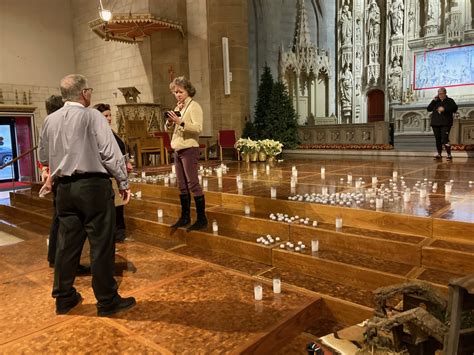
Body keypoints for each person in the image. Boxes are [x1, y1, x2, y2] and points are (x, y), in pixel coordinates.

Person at [39, 74, 135, 317]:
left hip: (64, 190)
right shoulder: (92, 116)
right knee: (101, 244)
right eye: (89, 90)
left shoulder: (50, 120)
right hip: (92, 187)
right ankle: (107, 300)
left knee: (66, 245)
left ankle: (63, 298)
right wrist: (123, 182)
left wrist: (51, 171)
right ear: (84, 93)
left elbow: (43, 156)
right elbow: (109, 153)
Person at [165, 76, 207, 231]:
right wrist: (170, 122)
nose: (177, 94)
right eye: (175, 92)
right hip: (178, 149)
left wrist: (180, 121)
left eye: (180, 91)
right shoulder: (179, 107)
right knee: (182, 186)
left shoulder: (194, 106)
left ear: (188, 90)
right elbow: (170, 129)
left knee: (193, 184)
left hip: (189, 149)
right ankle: (185, 217)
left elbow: (198, 128)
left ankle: (202, 219)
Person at [93, 103, 133, 242]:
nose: (109, 118)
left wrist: (126, 162)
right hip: (109, 174)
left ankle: (119, 235)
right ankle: (115, 236)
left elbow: (120, 150)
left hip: (117, 172)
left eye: (110, 115)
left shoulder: (110, 131)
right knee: (114, 207)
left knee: (119, 207)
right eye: (106, 116)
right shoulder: (99, 132)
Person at [427, 87, 458, 161]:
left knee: (445, 139)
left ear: (445, 93)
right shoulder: (436, 101)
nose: (440, 95)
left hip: (445, 123)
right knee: (438, 139)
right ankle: (439, 154)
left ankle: (449, 154)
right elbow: (429, 109)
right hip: (435, 123)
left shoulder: (450, 100)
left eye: (441, 93)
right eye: (439, 93)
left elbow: (455, 108)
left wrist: (444, 109)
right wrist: (433, 101)